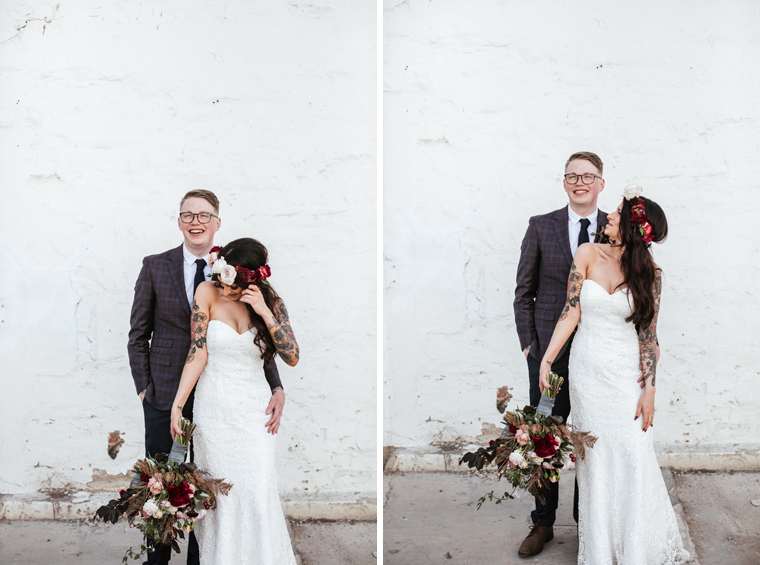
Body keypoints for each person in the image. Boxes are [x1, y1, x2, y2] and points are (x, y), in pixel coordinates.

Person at [128, 190, 286, 565]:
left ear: (218, 223)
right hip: (167, 394)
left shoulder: (241, 275)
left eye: (204, 215)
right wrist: (144, 390)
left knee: (213, 492)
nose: (195, 221)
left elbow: (254, 339)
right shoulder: (154, 266)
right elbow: (138, 334)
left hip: (223, 401)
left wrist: (275, 384)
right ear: (179, 221)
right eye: (187, 215)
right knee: (165, 491)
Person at [539, 187, 689, 563]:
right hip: (587, 373)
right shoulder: (587, 253)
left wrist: (650, 389)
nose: (609, 216)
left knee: (633, 453)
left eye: (617, 214)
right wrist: (546, 359)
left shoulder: (650, 274)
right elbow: (570, 312)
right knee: (597, 460)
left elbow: (649, 334)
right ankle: (602, 550)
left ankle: (638, 548)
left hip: (625, 376)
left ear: (635, 230)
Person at [170, 238, 299, 564]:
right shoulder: (206, 292)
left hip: (256, 415)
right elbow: (197, 353)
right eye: (222, 279)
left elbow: (292, 357)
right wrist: (177, 405)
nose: (225, 288)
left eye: (233, 283)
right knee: (222, 500)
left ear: (253, 279)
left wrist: (265, 313)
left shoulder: (270, 301)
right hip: (215, 413)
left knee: (257, 491)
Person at [513, 152, 609, 556]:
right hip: (548, 354)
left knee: (590, 437)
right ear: (564, 182)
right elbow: (524, 292)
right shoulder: (541, 226)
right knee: (544, 439)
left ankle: (588, 522)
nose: (579, 181)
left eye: (588, 175)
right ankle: (542, 524)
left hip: (599, 354)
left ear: (601, 183)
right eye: (572, 175)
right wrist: (530, 346)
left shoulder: (616, 227)